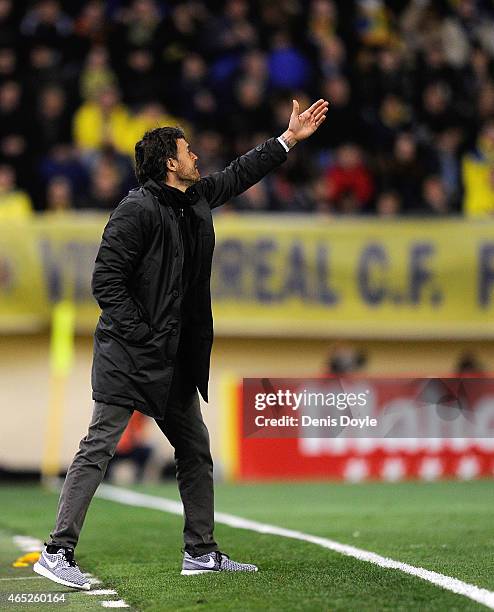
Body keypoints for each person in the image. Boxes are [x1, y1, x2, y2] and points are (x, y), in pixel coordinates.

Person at [34, 97, 329, 589]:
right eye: (188, 151)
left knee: (194, 449)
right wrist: (144, 334)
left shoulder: (194, 199)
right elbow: (106, 282)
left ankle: (201, 552)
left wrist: (288, 140)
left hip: (170, 359)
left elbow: (239, 173)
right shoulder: (135, 210)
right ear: (171, 162)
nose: (197, 157)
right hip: (130, 354)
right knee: (98, 447)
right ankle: (56, 551)